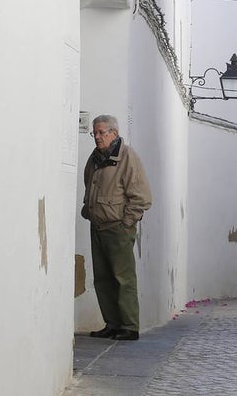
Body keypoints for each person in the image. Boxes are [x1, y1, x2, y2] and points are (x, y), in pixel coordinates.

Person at [81, 114, 152, 341]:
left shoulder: (127, 157)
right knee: (102, 279)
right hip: (98, 226)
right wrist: (89, 210)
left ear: (114, 133)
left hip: (118, 228)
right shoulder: (95, 158)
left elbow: (141, 197)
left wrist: (126, 223)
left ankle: (129, 326)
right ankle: (112, 323)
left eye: (102, 132)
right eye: (95, 133)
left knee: (123, 278)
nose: (98, 137)